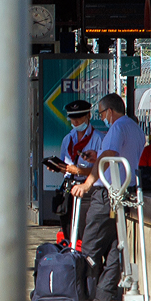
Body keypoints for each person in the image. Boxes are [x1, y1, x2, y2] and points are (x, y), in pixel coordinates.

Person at [70, 92, 146, 301]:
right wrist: (98, 156)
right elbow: (116, 156)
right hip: (125, 194)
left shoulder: (117, 127)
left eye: (102, 113)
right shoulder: (135, 128)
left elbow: (108, 157)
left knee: (90, 245)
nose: (102, 117)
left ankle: (81, 293)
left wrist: (86, 183)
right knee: (115, 247)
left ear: (109, 111)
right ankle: (103, 296)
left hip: (105, 195)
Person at [44, 98, 99, 241]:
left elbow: (102, 169)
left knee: (84, 232)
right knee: (68, 230)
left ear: (88, 116)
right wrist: (59, 168)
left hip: (88, 190)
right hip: (69, 189)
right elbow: (67, 166)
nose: (75, 122)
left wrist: (79, 171)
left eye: (79, 118)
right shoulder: (68, 139)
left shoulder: (98, 138)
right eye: (72, 118)